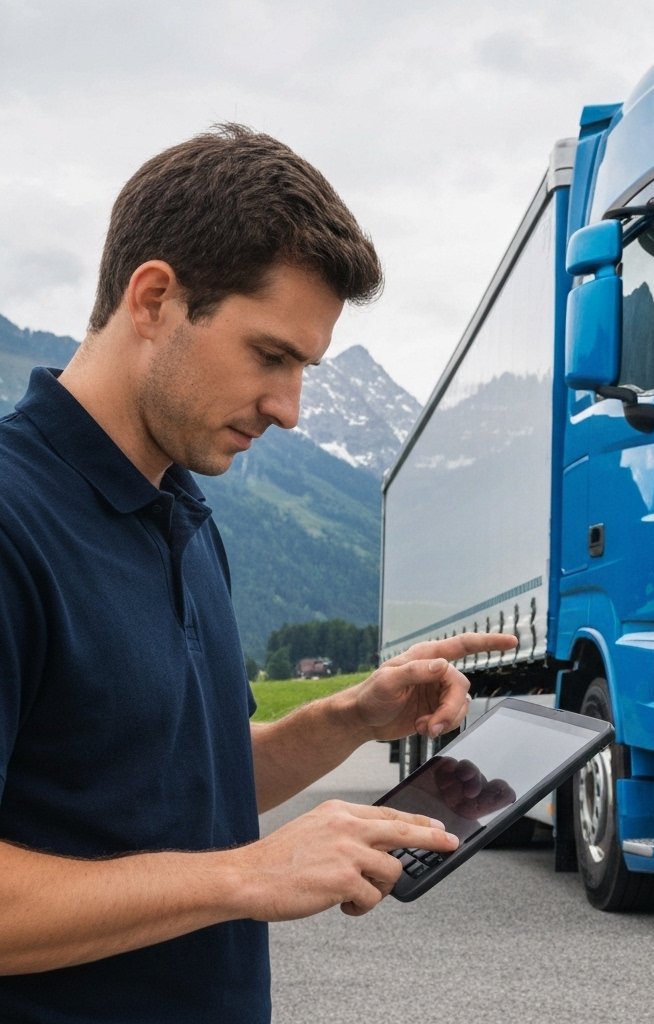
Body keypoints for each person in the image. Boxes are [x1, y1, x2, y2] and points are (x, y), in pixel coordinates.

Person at [0, 124, 517, 1023]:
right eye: (271, 356)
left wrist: (350, 718)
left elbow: (187, 782)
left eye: (304, 368)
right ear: (154, 298)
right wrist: (246, 874)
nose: (288, 408)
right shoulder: (13, 522)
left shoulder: (184, 516)